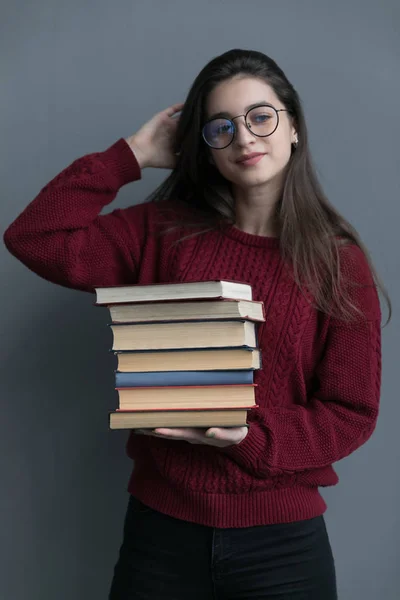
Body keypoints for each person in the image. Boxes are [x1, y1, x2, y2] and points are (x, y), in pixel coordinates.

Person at [3, 48, 390, 599]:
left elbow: (351, 413)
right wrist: (131, 155)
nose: (244, 138)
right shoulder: (160, 232)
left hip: (282, 545)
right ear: (205, 147)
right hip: (162, 534)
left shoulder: (337, 262)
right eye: (221, 127)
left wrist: (249, 438)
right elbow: (34, 237)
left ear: (294, 126)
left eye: (261, 116)